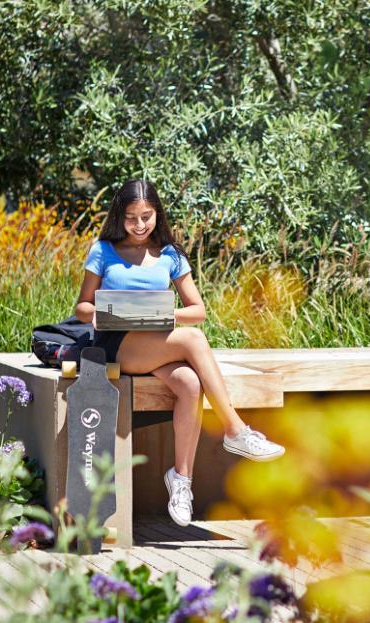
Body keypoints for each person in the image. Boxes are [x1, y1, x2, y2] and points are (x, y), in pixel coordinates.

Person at [74, 180, 285, 526]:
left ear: (157, 213)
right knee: (194, 341)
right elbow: (81, 306)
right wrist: (97, 312)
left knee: (189, 384)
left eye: (146, 216)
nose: (140, 225)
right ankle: (235, 430)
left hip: (157, 343)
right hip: (117, 345)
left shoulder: (170, 254)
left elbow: (197, 310)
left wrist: (161, 314)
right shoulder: (103, 250)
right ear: (119, 217)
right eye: (131, 218)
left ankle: (181, 480)